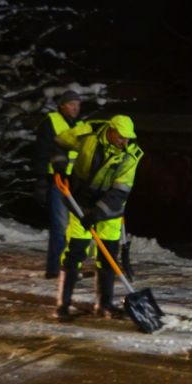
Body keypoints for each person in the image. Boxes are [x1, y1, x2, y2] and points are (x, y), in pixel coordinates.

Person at [51, 114, 143, 322]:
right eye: (121, 137)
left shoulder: (132, 155)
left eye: (128, 138)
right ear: (111, 131)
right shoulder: (88, 134)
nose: (125, 142)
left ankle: (104, 304)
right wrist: (60, 167)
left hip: (109, 210)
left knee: (108, 255)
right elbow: (59, 143)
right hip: (80, 204)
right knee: (75, 252)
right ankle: (62, 305)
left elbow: (120, 191)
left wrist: (97, 214)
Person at [33, 90, 81, 279]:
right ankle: (55, 268)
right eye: (71, 104)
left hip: (76, 181)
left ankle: (70, 266)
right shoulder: (51, 121)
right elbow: (42, 152)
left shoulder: (81, 125)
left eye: (78, 105)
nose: (75, 108)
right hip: (58, 180)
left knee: (75, 227)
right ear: (62, 105)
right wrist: (41, 179)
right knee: (60, 226)